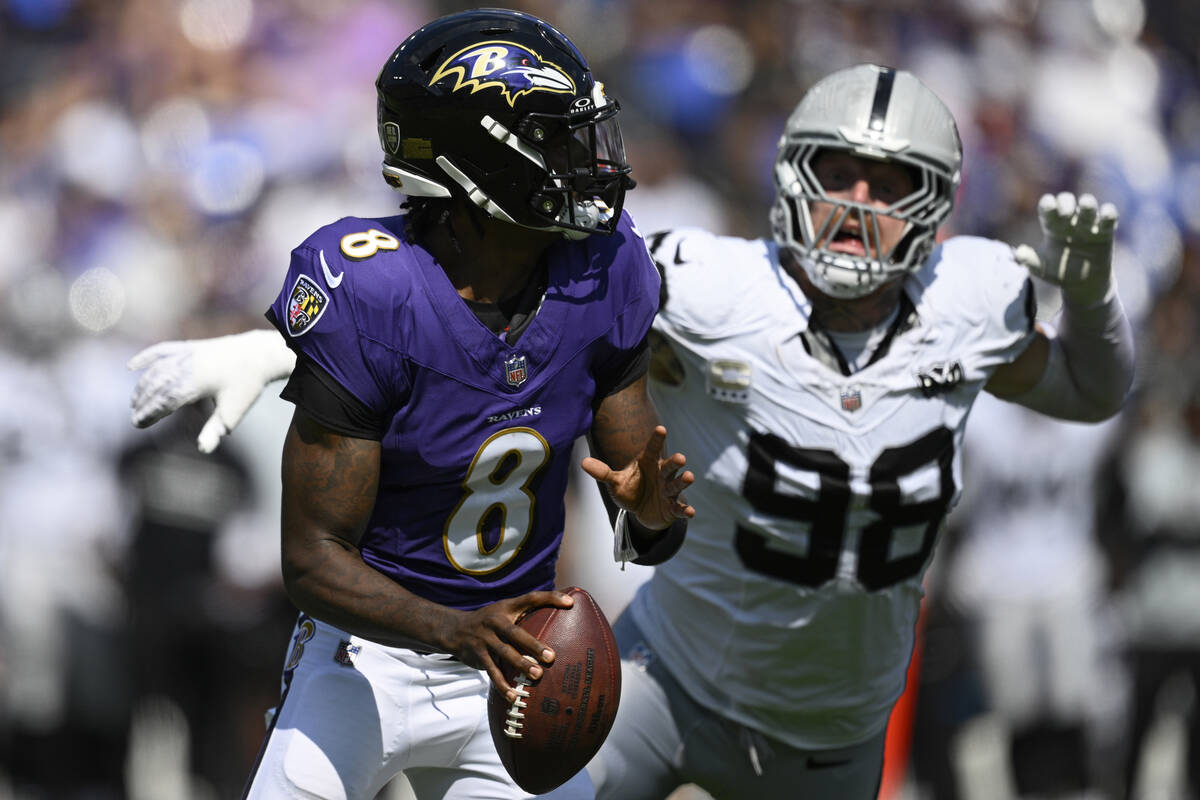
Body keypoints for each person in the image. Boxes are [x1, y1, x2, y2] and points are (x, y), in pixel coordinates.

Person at [130, 64, 1134, 799]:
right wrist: (281, 344)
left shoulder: (975, 296)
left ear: (939, 208)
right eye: (838, 172)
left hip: (832, 714)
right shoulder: (703, 281)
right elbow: (460, 289)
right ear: (792, 175)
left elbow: (1092, 391)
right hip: (652, 674)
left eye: (889, 185)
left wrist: (1089, 302)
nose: (854, 208)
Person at [131, 8, 695, 799]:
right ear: (476, 165)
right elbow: (312, 561)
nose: (586, 161)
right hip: (370, 658)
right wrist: (452, 629)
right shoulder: (371, 288)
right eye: (554, 140)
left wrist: (653, 516)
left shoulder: (603, 268)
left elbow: (644, 535)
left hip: (519, 661)